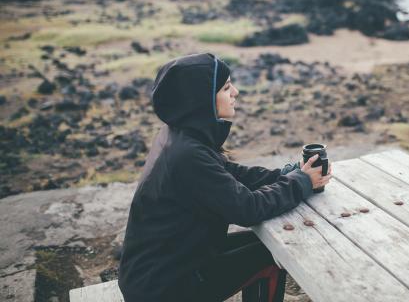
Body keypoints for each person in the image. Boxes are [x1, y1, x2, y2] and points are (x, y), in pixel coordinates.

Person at [118, 52, 333, 302]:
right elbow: (247, 209)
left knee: (267, 244)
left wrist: (286, 174)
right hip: (165, 288)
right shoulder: (187, 155)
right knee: (274, 254)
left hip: (161, 268)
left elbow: (230, 174)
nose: (236, 93)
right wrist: (302, 182)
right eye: (226, 87)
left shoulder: (180, 135)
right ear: (201, 100)